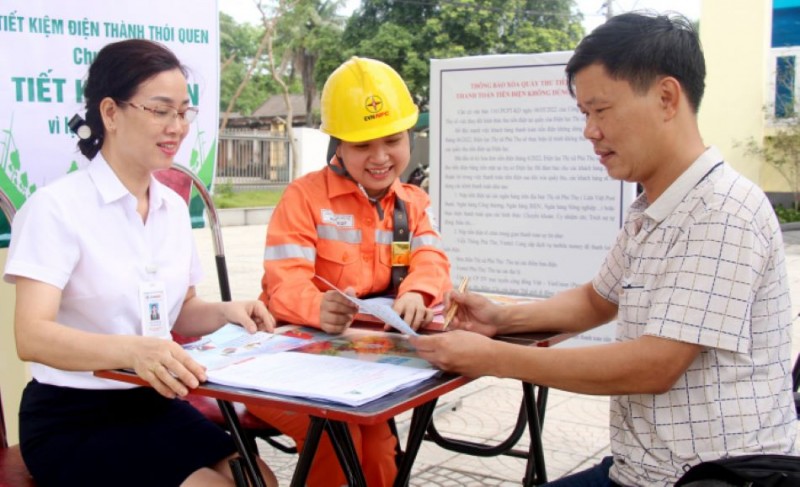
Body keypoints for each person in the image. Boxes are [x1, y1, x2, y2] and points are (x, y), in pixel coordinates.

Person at [410, 12, 798, 486]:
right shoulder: (652, 207)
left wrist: (492, 358)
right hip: (641, 469)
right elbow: (598, 299)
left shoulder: (723, 211)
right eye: (584, 114)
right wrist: (501, 320)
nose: (590, 131)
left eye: (601, 110)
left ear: (666, 97)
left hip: (715, 477)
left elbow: (655, 365)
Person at [3, 39, 278, 487]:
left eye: (184, 112)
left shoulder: (171, 208)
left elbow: (181, 309)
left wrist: (229, 312)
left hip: (152, 403)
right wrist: (133, 350)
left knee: (259, 479)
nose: (177, 127)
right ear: (110, 113)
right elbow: (31, 336)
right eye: (160, 110)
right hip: (71, 415)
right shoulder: (56, 208)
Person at [248, 56, 452, 486]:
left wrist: (417, 292)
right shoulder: (303, 198)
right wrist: (317, 307)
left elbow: (431, 259)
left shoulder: (413, 203)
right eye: (362, 146)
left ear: (409, 137)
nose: (380, 158)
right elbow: (284, 280)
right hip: (280, 361)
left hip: (362, 362)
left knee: (377, 450)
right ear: (337, 145)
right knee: (334, 437)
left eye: (392, 141)